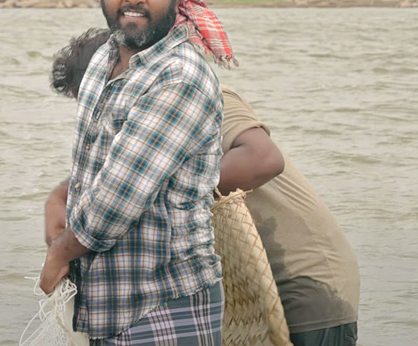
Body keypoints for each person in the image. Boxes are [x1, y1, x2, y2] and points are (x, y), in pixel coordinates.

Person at [48, 28, 360, 346]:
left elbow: (262, 159)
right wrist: (62, 198)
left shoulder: (192, 92)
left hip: (306, 281)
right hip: (248, 292)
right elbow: (122, 181)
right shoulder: (143, 126)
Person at [39, 0, 236, 345]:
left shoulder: (179, 75)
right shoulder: (105, 58)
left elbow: (116, 200)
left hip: (163, 301)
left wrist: (59, 252)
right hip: (110, 302)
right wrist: (62, 198)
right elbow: (96, 167)